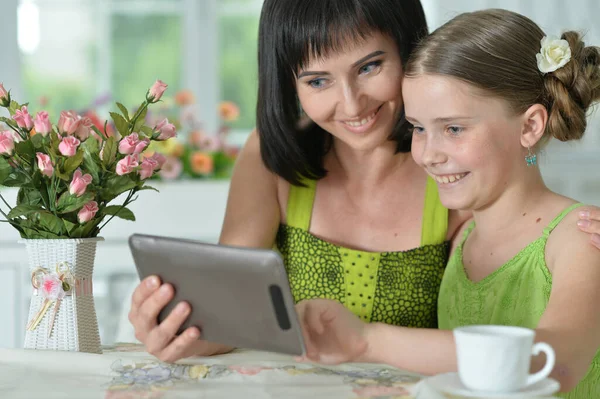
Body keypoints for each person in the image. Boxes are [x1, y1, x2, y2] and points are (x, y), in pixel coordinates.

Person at [127, 0, 600, 364]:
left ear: (410, 49)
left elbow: (530, 275)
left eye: (370, 67)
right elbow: (232, 317)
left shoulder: (457, 174)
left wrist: (368, 342)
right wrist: (182, 332)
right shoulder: (275, 157)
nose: (351, 105)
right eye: (317, 81)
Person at [295, 9, 600, 398]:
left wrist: (368, 341)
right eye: (419, 128)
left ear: (530, 126)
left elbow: (557, 362)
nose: (427, 154)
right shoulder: (464, 241)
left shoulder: (580, 238)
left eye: (453, 128)